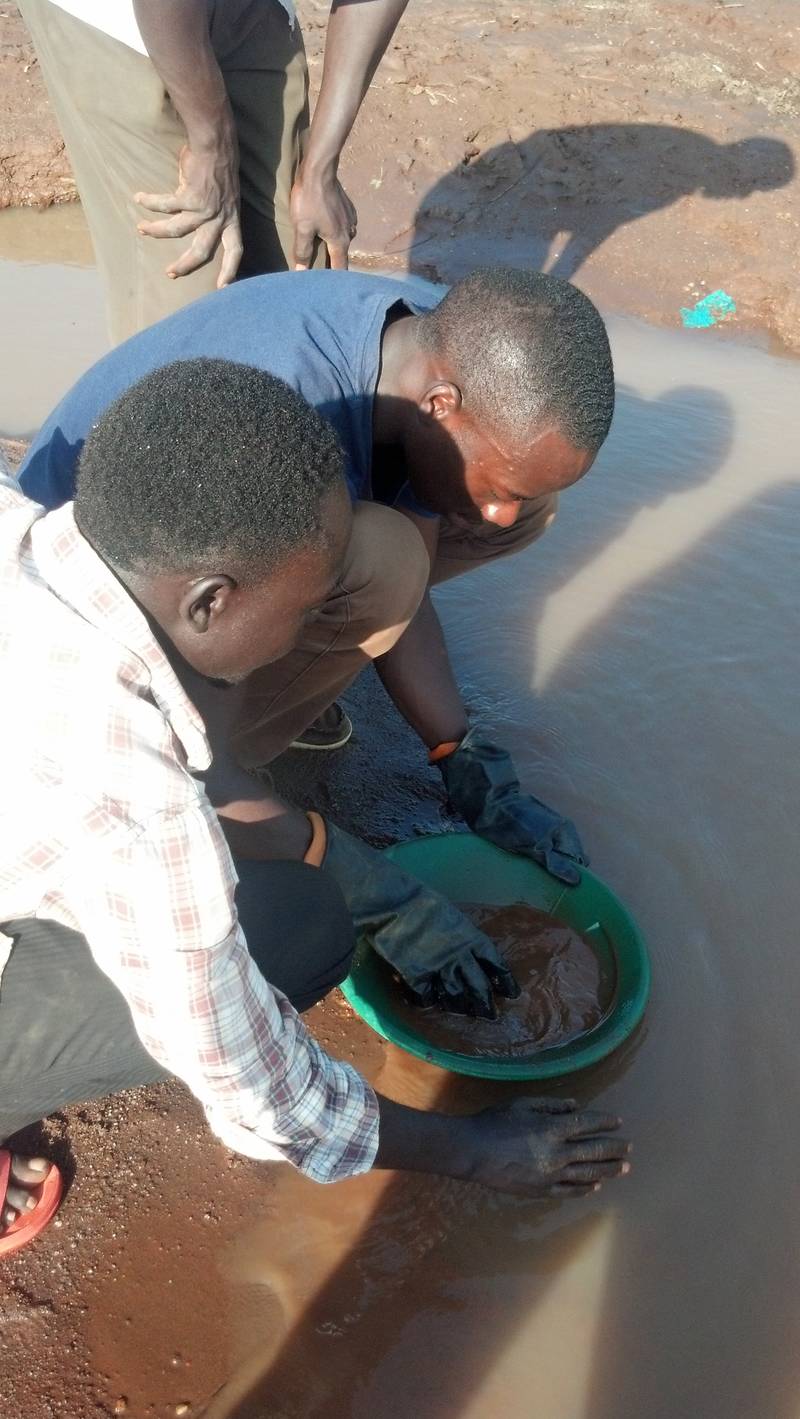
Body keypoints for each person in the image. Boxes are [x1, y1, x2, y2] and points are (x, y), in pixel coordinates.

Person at [0, 358, 630, 1254]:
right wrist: (472, 1148)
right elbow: (261, 1095)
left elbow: (180, 767)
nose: (307, 635)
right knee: (298, 931)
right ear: (211, 599)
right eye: (303, 608)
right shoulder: (139, 814)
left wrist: (389, 886)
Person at [20, 265, 615, 890]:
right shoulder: (284, 417)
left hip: (230, 548)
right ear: (441, 404)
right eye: (499, 489)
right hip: (87, 611)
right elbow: (196, 595)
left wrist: (461, 755)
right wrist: (323, 859)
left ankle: (303, 655)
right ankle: (249, 729)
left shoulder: (436, 347)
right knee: (384, 565)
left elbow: (423, 527)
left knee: (526, 512)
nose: (500, 511)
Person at [16, 0, 409, 342]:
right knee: (188, 309)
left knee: (302, 276)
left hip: (249, 10)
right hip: (116, 16)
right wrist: (213, 147)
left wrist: (320, 168)